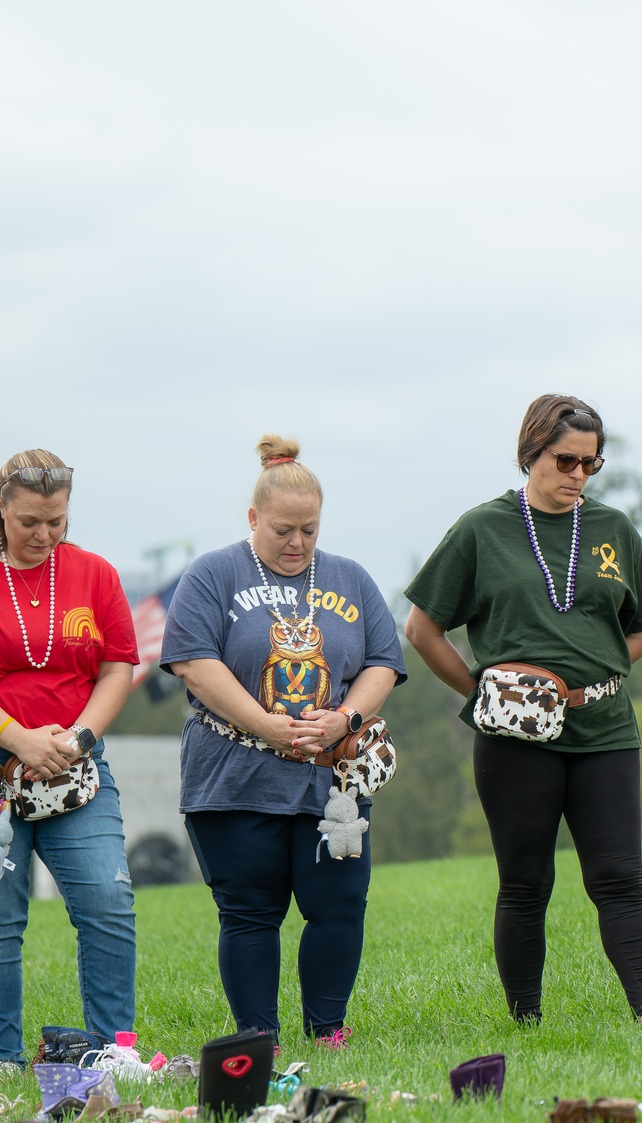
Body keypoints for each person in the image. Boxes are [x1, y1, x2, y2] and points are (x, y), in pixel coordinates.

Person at [405, 394, 642, 1024]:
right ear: (531, 454)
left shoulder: (614, 529)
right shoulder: (481, 528)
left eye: (590, 464)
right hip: (514, 738)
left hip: (604, 730)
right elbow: (422, 629)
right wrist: (485, 694)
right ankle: (527, 1021)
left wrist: (590, 681)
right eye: (565, 460)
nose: (577, 474)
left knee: (618, 878)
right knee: (525, 884)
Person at [161, 436, 403, 1044]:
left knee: (339, 906)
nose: (296, 543)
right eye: (283, 530)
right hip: (233, 778)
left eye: (309, 531)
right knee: (249, 914)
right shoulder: (213, 574)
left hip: (330, 780)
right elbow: (193, 662)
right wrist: (264, 723)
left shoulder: (350, 578)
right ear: (253, 519)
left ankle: (328, 1030)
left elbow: (381, 662)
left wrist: (346, 717)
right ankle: (257, 1037)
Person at [0, 449, 138, 1068]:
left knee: (108, 905)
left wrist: (76, 739)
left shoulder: (95, 574)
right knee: (2, 921)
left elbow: (117, 670)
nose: (45, 534)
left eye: (56, 520)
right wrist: (18, 737)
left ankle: (112, 1052)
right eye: (30, 520)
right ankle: (3, 1059)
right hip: (4, 764)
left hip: (76, 767)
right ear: (2, 508)